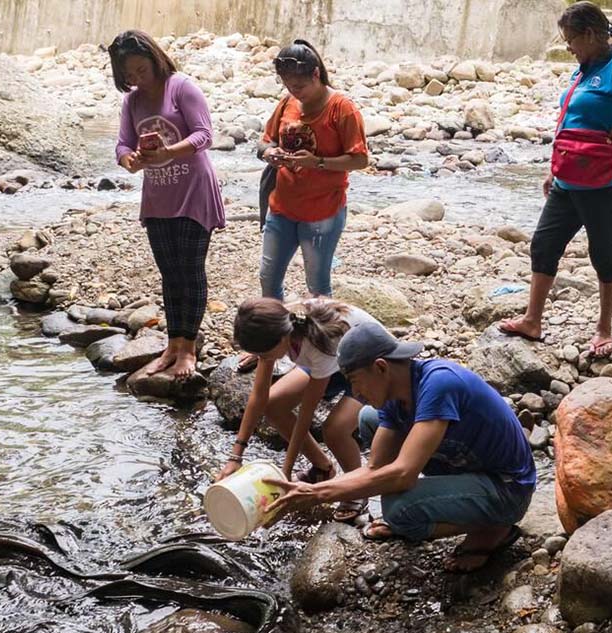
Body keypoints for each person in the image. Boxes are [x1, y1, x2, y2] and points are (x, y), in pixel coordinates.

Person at [268, 323, 537, 573]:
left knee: (399, 510)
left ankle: (493, 529)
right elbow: (374, 467)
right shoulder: (398, 396)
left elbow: (403, 474)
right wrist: (312, 491)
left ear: (381, 367)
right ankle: (451, 502)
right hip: (466, 465)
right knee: (369, 419)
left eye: (355, 380)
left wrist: (317, 493)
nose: (355, 393)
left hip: (507, 488)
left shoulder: (439, 384)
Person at [499, 1, 612, 358]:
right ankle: (532, 320)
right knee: (543, 245)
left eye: (571, 39)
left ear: (589, 34)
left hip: (604, 183)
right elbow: (571, 122)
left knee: (603, 253)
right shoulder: (583, 68)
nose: (568, 46)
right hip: (568, 180)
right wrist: (553, 169)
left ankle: (604, 328)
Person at [112, 30, 225, 379]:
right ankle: (172, 344)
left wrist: (166, 152)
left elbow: (204, 134)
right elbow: (121, 145)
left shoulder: (182, 87)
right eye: (128, 75)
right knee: (169, 274)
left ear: (155, 59)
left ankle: (189, 348)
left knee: (190, 272)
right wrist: (130, 160)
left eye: (140, 71)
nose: (136, 80)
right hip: (158, 197)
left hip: (193, 193)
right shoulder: (132, 102)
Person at [217, 297, 381, 521]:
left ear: (283, 338)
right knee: (274, 404)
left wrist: (285, 472)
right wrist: (235, 456)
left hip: (368, 366)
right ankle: (322, 469)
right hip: (329, 364)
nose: (263, 359)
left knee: (335, 430)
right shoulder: (276, 325)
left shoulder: (317, 342)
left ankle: (356, 489)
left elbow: (306, 414)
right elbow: (259, 396)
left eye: (264, 354)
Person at [259, 40, 369, 301]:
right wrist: (269, 153)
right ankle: (276, 336)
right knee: (268, 276)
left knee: (317, 286)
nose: (295, 92)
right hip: (282, 206)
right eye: (288, 85)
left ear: (316, 75)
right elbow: (265, 140)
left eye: (300, 86)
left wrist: (318, 162)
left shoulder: (342, 109)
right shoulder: (287, 103)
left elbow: (359, 159)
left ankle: (320, 339)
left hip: (323, 211)